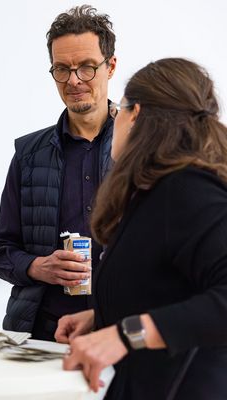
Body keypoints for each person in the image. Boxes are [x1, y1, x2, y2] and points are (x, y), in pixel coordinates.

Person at [56, 58, 227, 399]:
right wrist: (103, 317)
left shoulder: (189, 190)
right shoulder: (156, 192)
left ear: (136, 114)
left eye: (118, 110)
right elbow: (169, 290)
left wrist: (124, 334)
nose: (114, 119)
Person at [0, 5, 116, 340]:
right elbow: (0, 253)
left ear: (111, 66)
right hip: (43, 336)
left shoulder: (143, 149)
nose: (73, 80)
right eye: (62, 69)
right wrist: (37, 267)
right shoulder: (28, 154)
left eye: (86, 67)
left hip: (120, 334)